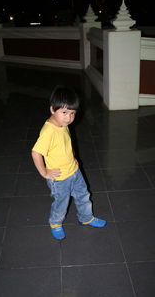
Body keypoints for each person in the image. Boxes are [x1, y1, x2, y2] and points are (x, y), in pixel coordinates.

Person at [31, 86, 106, 240]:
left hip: (74, 170)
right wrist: (44, 172)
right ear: (53, 109)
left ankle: (86, 218)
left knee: (83, 195)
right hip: (59, 178)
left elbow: (64, 144)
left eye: (72, 113)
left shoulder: (63, 124)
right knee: (61, 202)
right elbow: (36, 152)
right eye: (64, 112)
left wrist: (72, 158)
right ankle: (55, 223)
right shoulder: (49, 132)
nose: (68, 118)